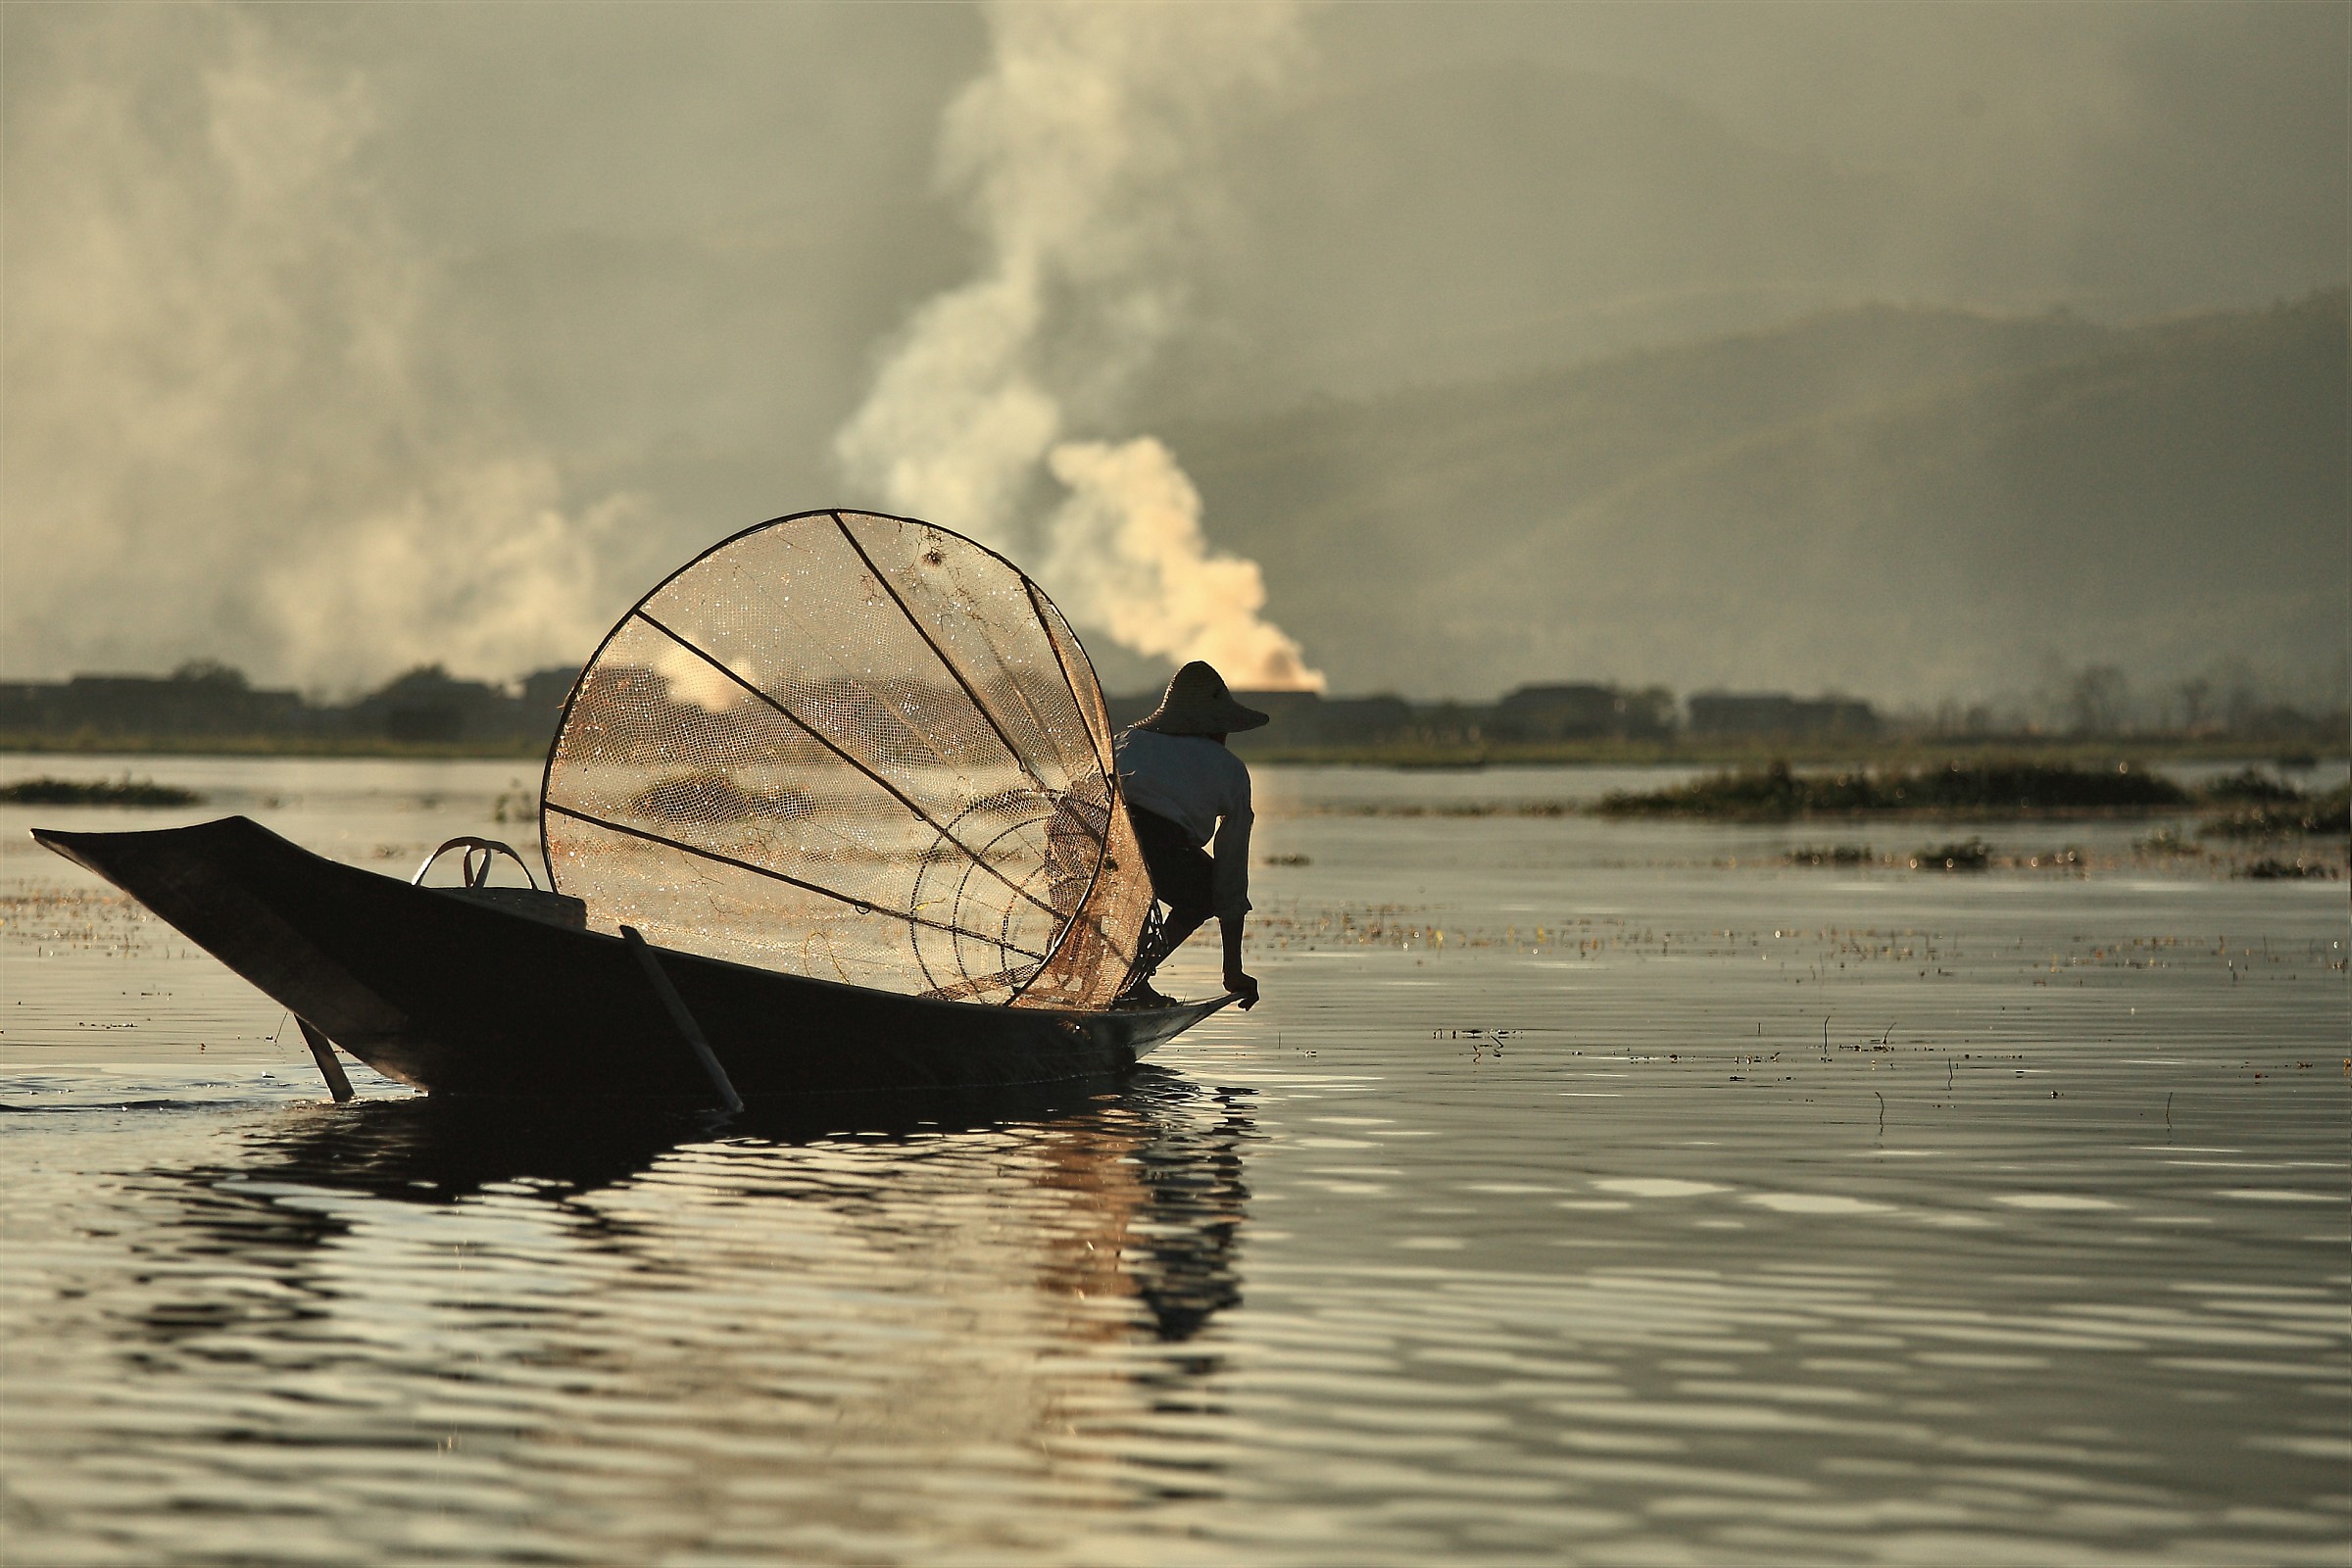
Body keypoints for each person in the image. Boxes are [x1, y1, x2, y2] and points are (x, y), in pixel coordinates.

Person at [1114, 661, 1264, 1009]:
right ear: (1218, 728)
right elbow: (1230, 874)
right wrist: (1233, 970)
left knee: (1123, 893)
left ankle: (1120, 978)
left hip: (1090, 834)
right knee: (1203, 892)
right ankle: (1135, 977)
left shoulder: (1128, 740)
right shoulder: (1230, 769)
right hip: (1153, 843)